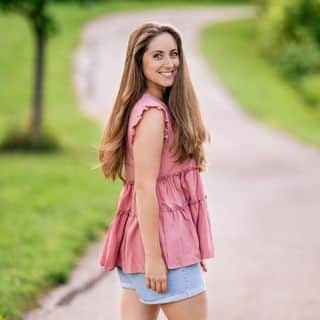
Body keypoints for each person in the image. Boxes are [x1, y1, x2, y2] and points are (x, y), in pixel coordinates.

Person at [98, 22, 215, 320]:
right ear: (140, 62)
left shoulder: (151, 106)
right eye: (158, 55)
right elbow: (145, 188)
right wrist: (154, 258)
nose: (169, 63)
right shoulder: (152, 114)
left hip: (148, 244)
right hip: (165, 246)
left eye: (173, 54)